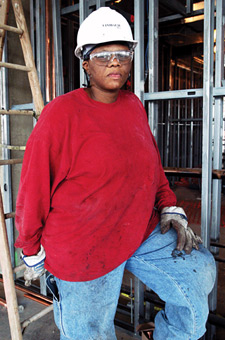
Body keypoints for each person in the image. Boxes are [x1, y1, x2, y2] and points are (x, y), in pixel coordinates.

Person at [15, 7, 216, 340]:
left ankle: (162, 334)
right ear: (85, 62)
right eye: (103, 54)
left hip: (137, 229)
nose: (114, 62)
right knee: (89, 335)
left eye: (122, 53)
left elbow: (151, 166)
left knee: (198, 275)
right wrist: (31, 247)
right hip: (83, 248)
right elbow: (33, 188)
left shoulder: (133, 105)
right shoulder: (60, 115)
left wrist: (169, 205)